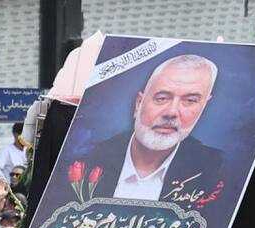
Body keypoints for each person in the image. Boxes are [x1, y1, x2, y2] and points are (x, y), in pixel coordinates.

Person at [82, 54, 223, 204]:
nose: (171, 112)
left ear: (203, 107)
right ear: (138, 104)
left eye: (190, 101)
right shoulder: (86, 161)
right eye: (162, 98)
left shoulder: (217, 171)